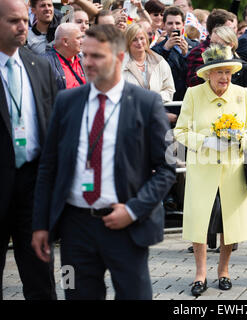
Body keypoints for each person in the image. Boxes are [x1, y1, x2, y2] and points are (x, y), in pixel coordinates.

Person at [31, 24, 176, 300]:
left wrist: (133, 210)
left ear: (119, 58)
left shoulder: (147, 104)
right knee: (74, 293)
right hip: (75, 230)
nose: (88, 62)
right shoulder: (66, 102)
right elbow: (48, 167)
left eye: (97, 56)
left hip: (126, 227)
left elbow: (167, 169)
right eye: (85, 55)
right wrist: (40, 225)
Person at [174, 44, 247, 297]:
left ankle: (224, 271)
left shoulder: (241, 93)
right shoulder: (193, 94)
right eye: (218, 72)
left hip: (232, 170)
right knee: (200, 223)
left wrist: (241, 138)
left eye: (227, 73)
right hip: (203, 170)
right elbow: (180, 131)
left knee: (229, 224)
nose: (224, 77)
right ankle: (200, 274)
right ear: (208, 73)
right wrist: (204, 141)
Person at [0, 0, 58, 300]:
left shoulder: (39, 66)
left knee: (40, 279)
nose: (23, 26)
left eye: (25, 19)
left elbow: (51, 126)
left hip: (33, 190)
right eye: (13, 21)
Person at [123, 23, 175, 123]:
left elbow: (169, 89)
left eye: (142, 38)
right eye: (134, 39)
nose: (139, 42)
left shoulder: (159, 61)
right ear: (128, 42)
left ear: (146, 39)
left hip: (156, 114)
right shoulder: (119, 64)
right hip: (130, 117)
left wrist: (152, 100)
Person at [152, 6, 197, 102]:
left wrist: (186, 54)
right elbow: (155, 72)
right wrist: (165, 49)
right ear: (163, 25)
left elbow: (197, 72)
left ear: (183, 24)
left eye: (177, 23)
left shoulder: (195, 46)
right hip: (169, 101)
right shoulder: (156, 50)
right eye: (170, 23)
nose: (174, 27)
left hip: (191, 99)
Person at [186, 8, 234, 88]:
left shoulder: (234, 52)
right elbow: (192, 82)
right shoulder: (199, 52)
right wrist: (210, 70)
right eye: (228, 29)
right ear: (217, 28)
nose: (232, 32)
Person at [42, 23, 85, 90]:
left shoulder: (84, 59)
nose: (82, 41)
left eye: (82, 37)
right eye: (78, 38)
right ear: (65, 42)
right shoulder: (45, 63)